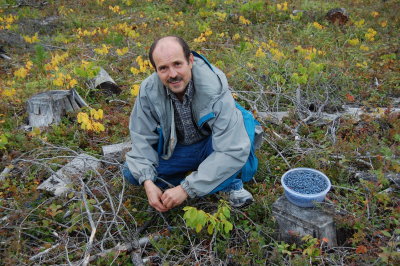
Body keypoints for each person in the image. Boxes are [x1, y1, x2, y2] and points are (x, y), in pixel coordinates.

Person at [122, 36, 261, 212]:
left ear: (190, 60)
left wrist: (185, 189)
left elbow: (231, 150)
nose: (172, 74)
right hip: (180, 149)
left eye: (177, 64)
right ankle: (192, 181)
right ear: (155, 70)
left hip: (213, 146)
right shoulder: (149, 91)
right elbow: (141, 138)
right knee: (132, 173)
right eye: (163, 68)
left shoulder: (214, 87)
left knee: (234, 157)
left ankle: (230, 185)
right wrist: (148, 183)